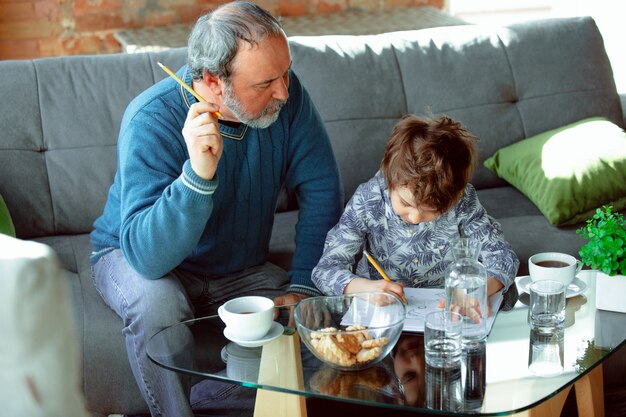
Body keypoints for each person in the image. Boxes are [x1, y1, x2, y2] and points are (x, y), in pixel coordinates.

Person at [89, 2, 343, 416]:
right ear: (212, 81)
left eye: (286, 73)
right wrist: (198, 175)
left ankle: (203, 402)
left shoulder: (288, 98)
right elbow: (146, 259)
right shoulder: (151, 118)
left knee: (318, 328)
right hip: (138, 257)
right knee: (158, 306)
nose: (284, 91)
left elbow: (322, 189)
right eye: (266, 83)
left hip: (239, 268)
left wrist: (306, 285)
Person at [312, 114, 518, 303]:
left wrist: (477, 292)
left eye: (433, 210)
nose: (416, 217)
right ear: (390, 178)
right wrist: (362, 288)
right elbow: (325, 270)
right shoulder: (368, 199)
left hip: (446, 306)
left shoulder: (462, 200)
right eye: (406, 203)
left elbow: (502, 257)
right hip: (379, 308)